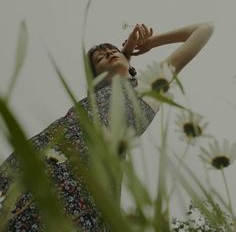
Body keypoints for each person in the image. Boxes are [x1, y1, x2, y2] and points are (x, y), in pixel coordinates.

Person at [0, 21, 214, 231]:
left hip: (84, 185)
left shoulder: (149, 87)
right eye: (100, 58)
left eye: (113, 51)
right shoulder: (91, 100)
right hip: (36, 166)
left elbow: (203, 29)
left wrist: (148, 43)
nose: (110, 54)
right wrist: (124, 55)